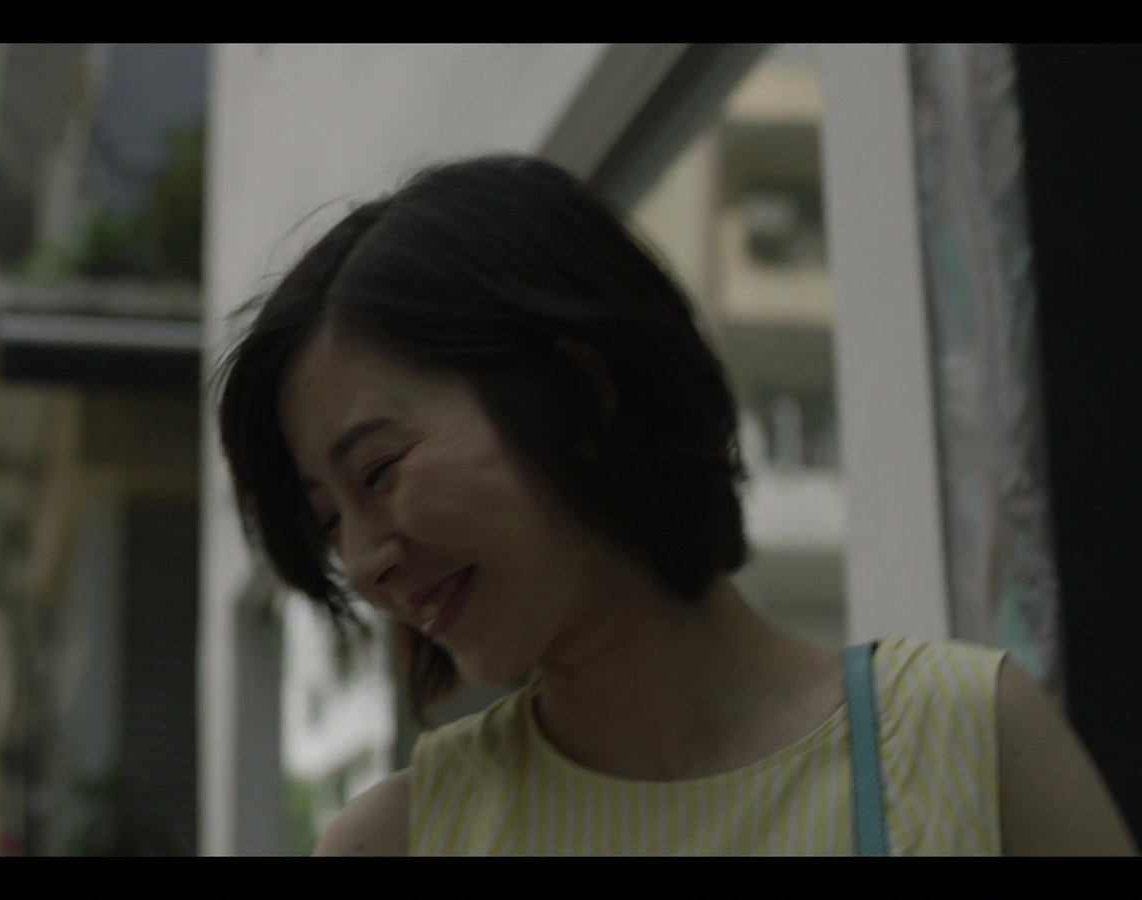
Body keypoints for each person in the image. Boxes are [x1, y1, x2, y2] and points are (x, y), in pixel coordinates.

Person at [214, 154, 1138, 856]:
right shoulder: (402, 842)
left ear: (576, 394)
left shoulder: (965, 738)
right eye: (328, 521)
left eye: (377, 472)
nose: (367, 558)